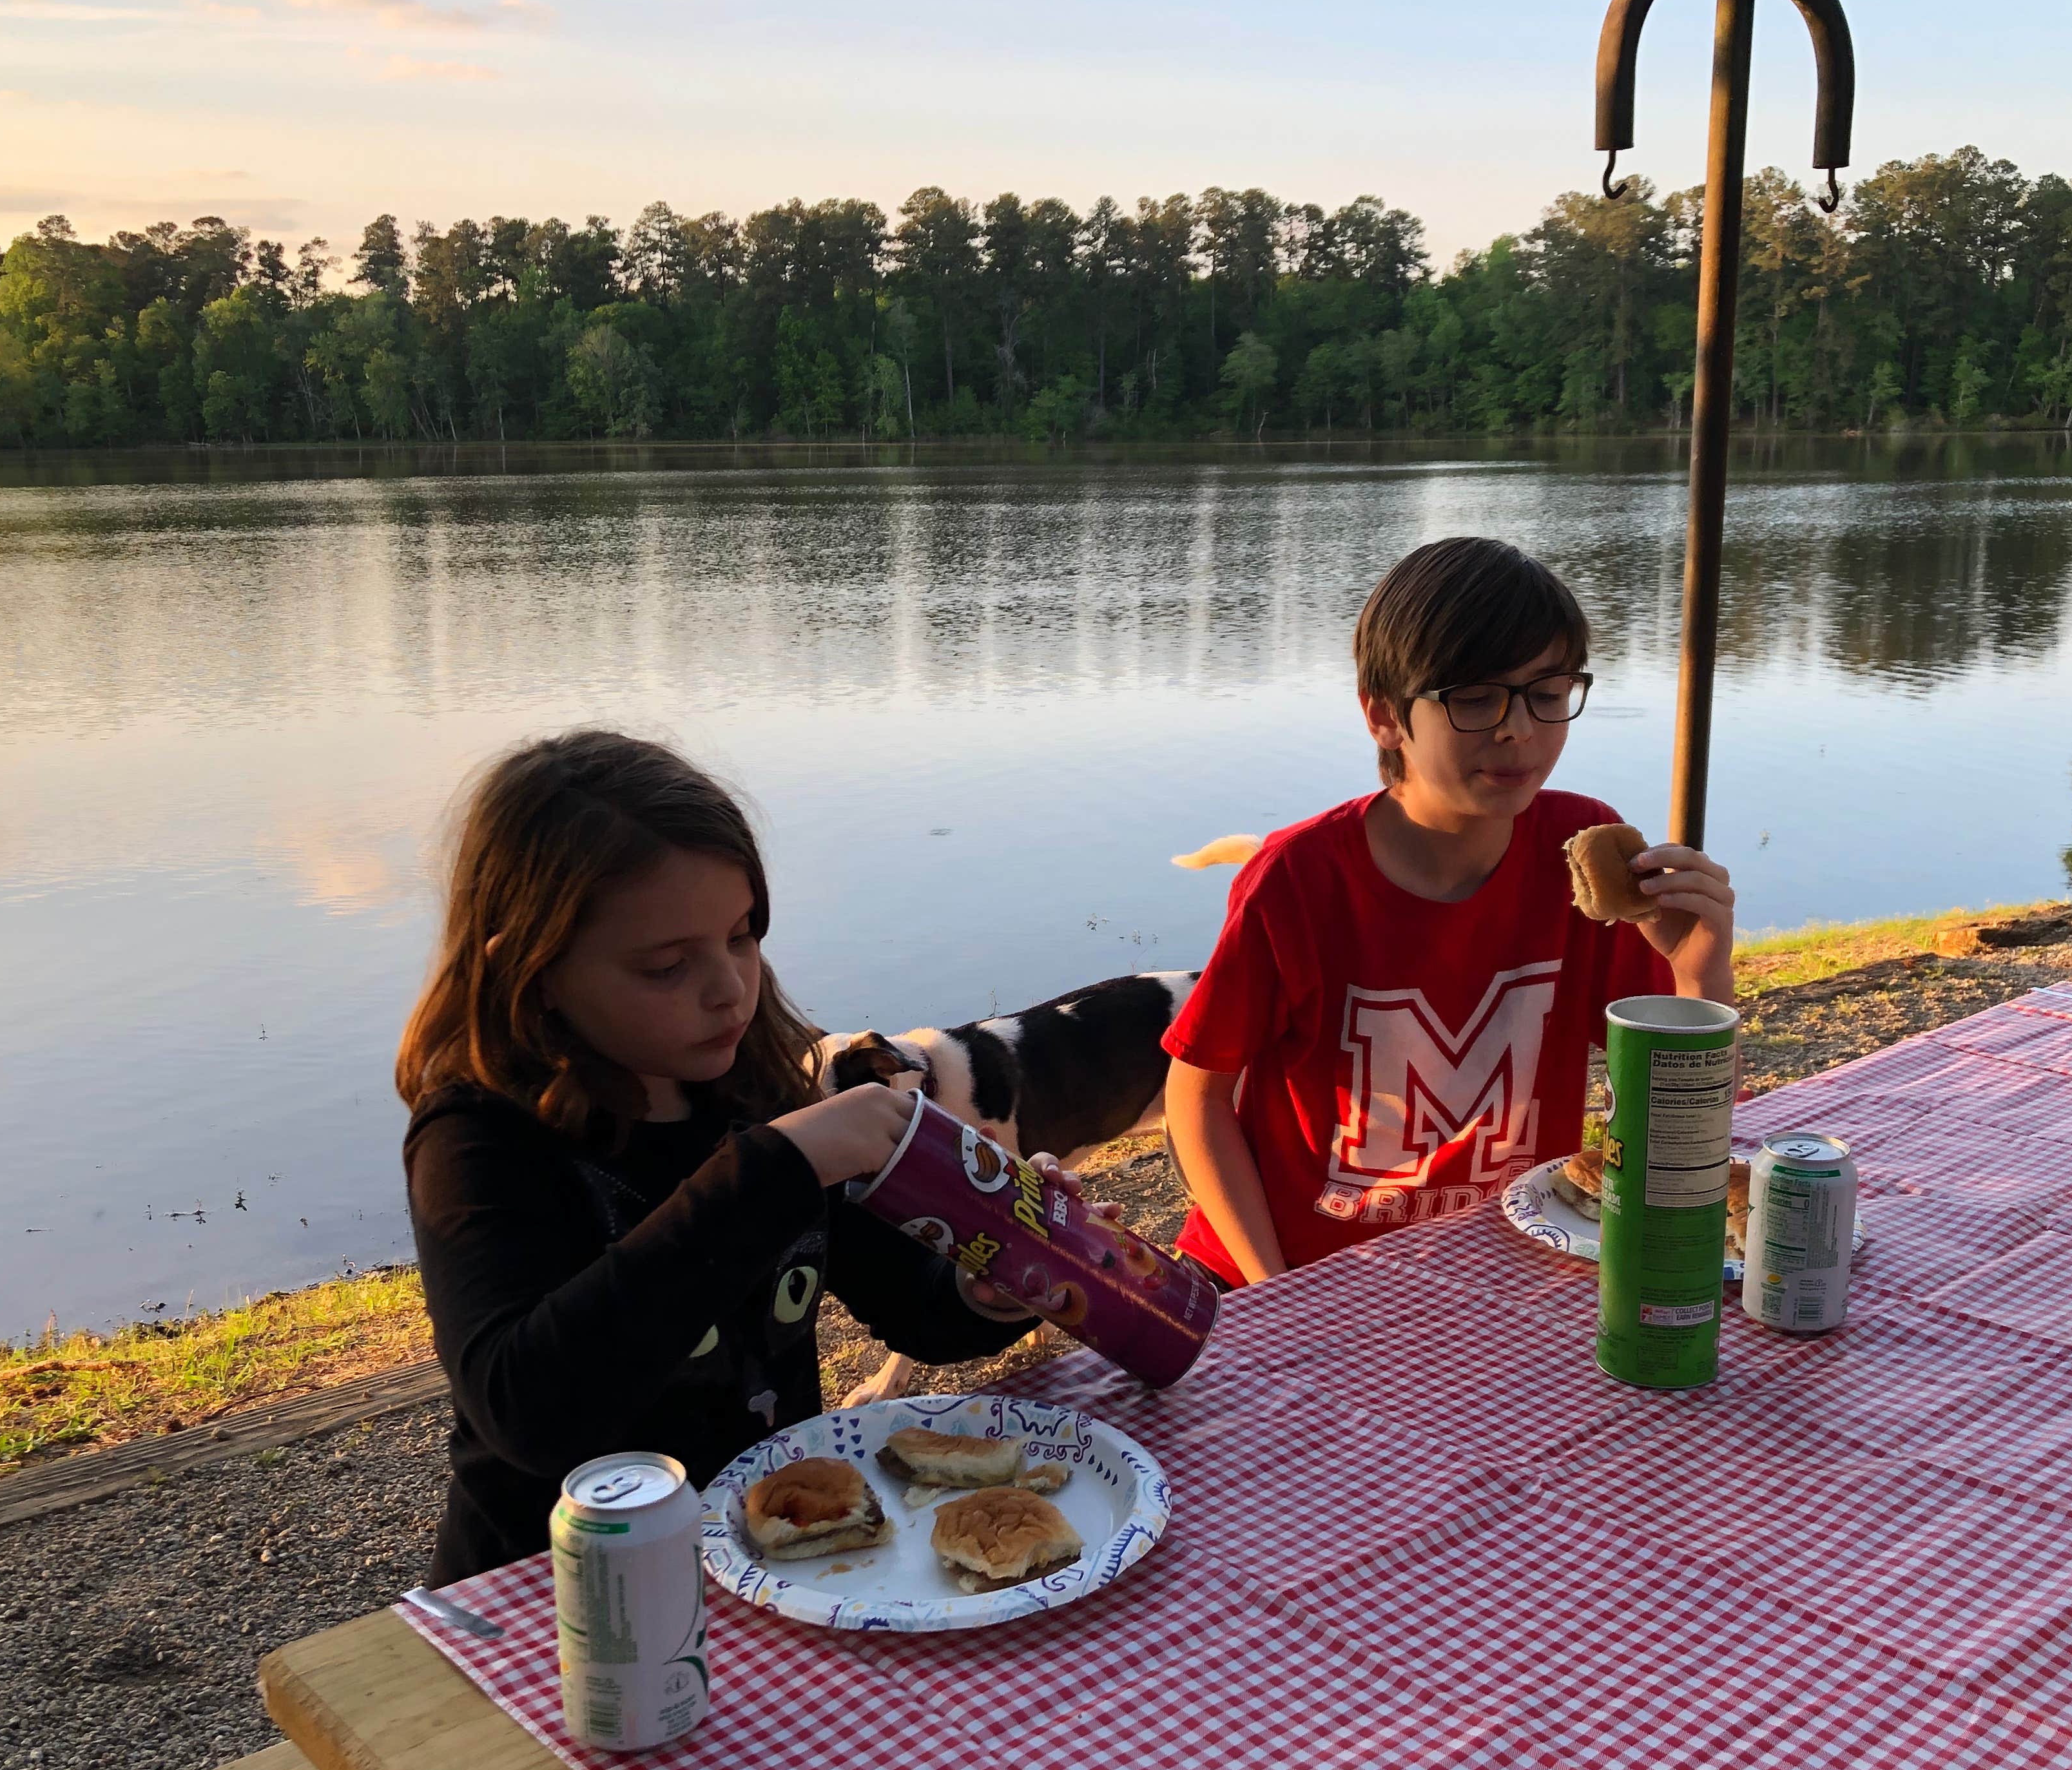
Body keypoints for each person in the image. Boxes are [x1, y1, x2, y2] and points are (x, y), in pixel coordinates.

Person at [396, 731, 1038, 1583]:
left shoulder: (755, 1092)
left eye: (742, 936)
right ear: (533, 972)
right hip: (552, 1599)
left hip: (772, 1555)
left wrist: (987, 1286)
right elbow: (531, 1410)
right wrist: (775, 1168)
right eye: (666, 966)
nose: (730, 987)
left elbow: (915, 1309)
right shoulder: (480, 1140)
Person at [1161, 535, 1738, 1287]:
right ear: (1384, 716)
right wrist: (1274, 1292)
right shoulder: (1298, 881)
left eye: (1548, 692)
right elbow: (1197, 1096)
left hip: (1505, 1260)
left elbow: (1679, 1126)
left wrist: (1699, 978)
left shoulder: (1578, 854)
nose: (1517, 730)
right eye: (1474, 697)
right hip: (1296, 1269)